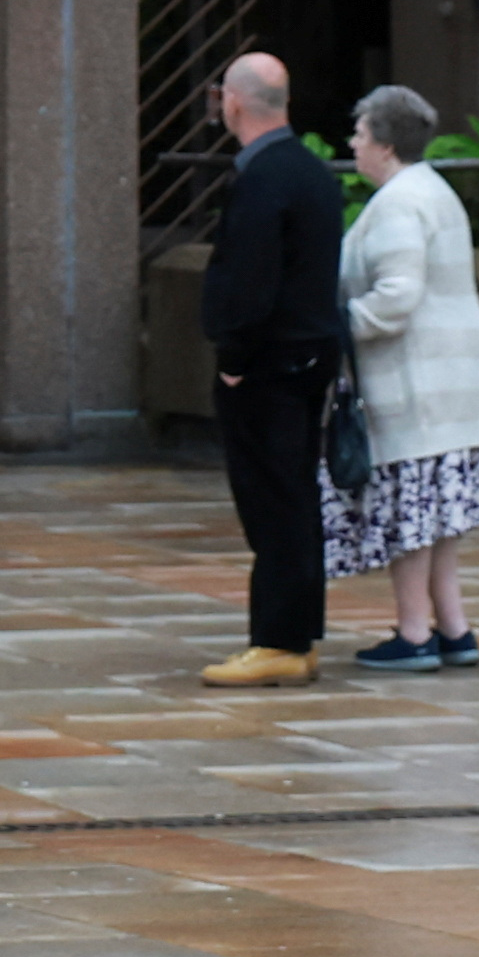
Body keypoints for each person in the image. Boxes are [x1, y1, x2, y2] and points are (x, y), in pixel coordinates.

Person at [327, 86, 479, 671]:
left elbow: (398, 296)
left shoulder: (400, 202)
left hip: (418, 385)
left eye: (360, 133)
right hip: (456, 383)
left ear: (385, 143)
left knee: (410, 517)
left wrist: (338, 327)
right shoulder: (432, 190)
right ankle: (454, 628)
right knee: (439, 516)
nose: (352, 143)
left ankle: (413, 631)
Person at [192, 52, 348, 688]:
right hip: (308, 355)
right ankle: (298, 634)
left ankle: (279, 640)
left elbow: (250, 279)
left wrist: (233, 360)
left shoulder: (262, 178)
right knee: (295, 496)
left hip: (270, 364)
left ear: (233, 102)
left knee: (272, 500)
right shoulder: (310, 170)